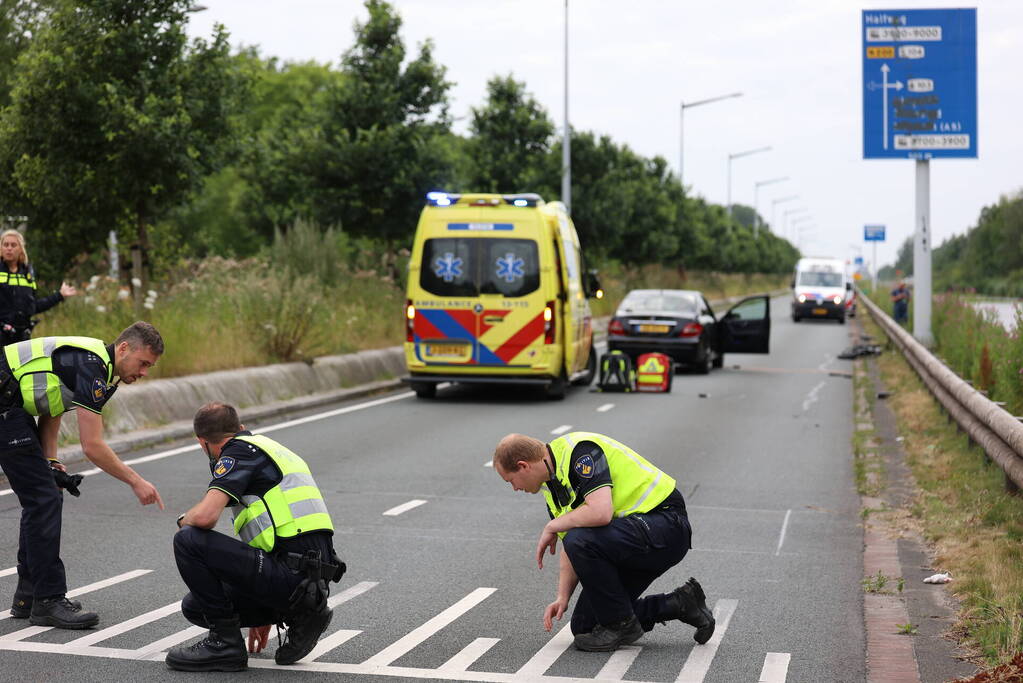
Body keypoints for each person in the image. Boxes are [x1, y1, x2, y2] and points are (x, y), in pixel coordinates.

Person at [0, 321, 165, 628]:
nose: (144, 373)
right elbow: (92, 446)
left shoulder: (90, 361)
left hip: (11, 403)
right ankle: (47, 600)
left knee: (46, 495)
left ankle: (28, 597)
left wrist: (51, 461)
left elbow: (53, 402)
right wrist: (136, 481)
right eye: (143, 364)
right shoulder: (94, 367)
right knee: (43, 500)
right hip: (5, 405)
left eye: (149, 367)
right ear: (124, 348)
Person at [492, 431, 715, 652]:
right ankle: (681, 603)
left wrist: (552, 526)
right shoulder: (551, 491)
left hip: (666, 524)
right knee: (585, 626)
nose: (515, 488)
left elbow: (600, 513)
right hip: (628, 542)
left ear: (523, 466)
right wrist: (562, 597)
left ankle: (622, 624)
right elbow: (571, 548)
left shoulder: (579, 452)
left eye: (510, 481)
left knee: (580, 541)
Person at [166, 402, 344, 672]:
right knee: (194, 606)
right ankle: (301, 614)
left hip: (291, 576)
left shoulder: (238, 451)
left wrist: (183, 519)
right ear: (241, 428)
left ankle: (225, 645)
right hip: (307, 582)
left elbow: (204, 517)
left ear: (202, 443)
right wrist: (265, 605)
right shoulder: (272, 450)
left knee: (188, 539)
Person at [0, 229, 77, 346]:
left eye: (13, 245)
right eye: (5, 245)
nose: (9, 248)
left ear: (21, 248)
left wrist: (59, 295)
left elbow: (33, 307)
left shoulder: (28, 274)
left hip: (22, 337)